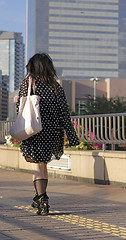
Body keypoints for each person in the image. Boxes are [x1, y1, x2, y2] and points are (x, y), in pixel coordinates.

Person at [16, 53, 79, 216]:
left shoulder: (28, 83)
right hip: (52, 132)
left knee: (37, 166)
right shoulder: (55, 86)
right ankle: (39, 198)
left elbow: (20, 107)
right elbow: (65, 112)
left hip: (34, 130)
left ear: (32, 66)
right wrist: (71, 135)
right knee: (42, 165)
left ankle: (42, 200)